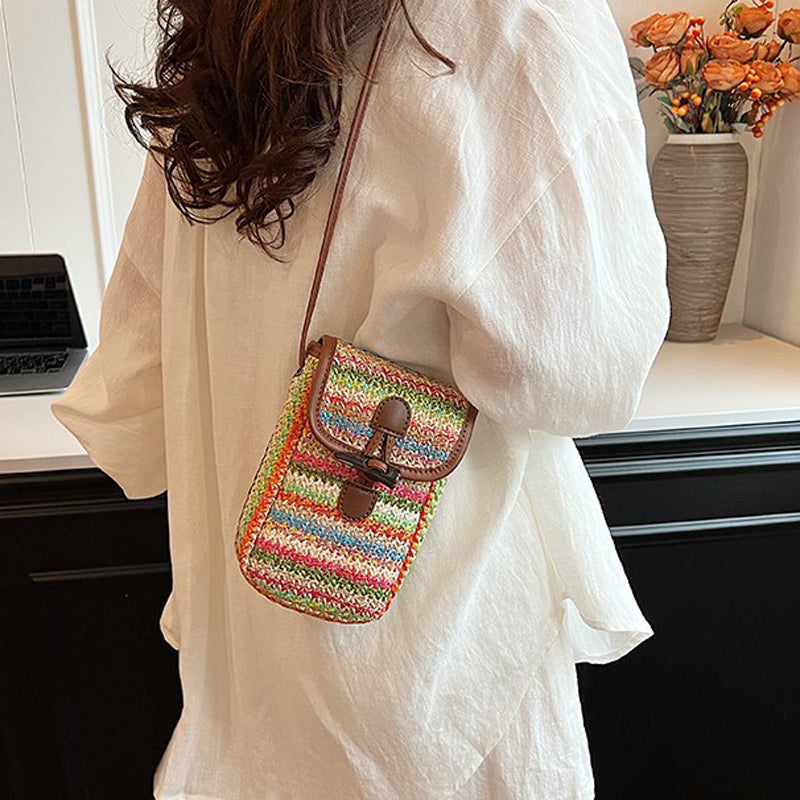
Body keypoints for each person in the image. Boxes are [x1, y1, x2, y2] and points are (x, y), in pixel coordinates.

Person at [50, 0, 671, 797]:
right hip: (443, 665)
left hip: (247, 667)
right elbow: (583, 371)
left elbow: (134, 396)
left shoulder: (221, 33)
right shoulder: (521, 20)